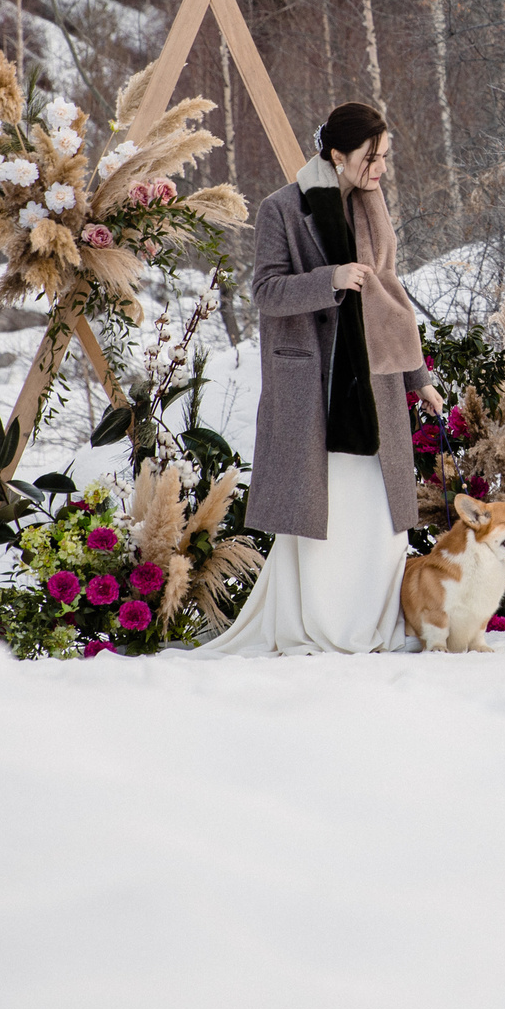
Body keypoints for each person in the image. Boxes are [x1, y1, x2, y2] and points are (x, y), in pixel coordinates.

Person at [196, 102, 443, 656]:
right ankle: (325, 626)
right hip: (314, 390)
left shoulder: (373, 208)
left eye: (386, 156)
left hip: (374, 387)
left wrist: (417, 378)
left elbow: (390, 302)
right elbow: (265, 291)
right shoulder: (281, 208)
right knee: (324, 521)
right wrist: (329, 279)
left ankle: (375, 624)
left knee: (380, 519)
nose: (381, 168)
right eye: (371, 156)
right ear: (337, 154)